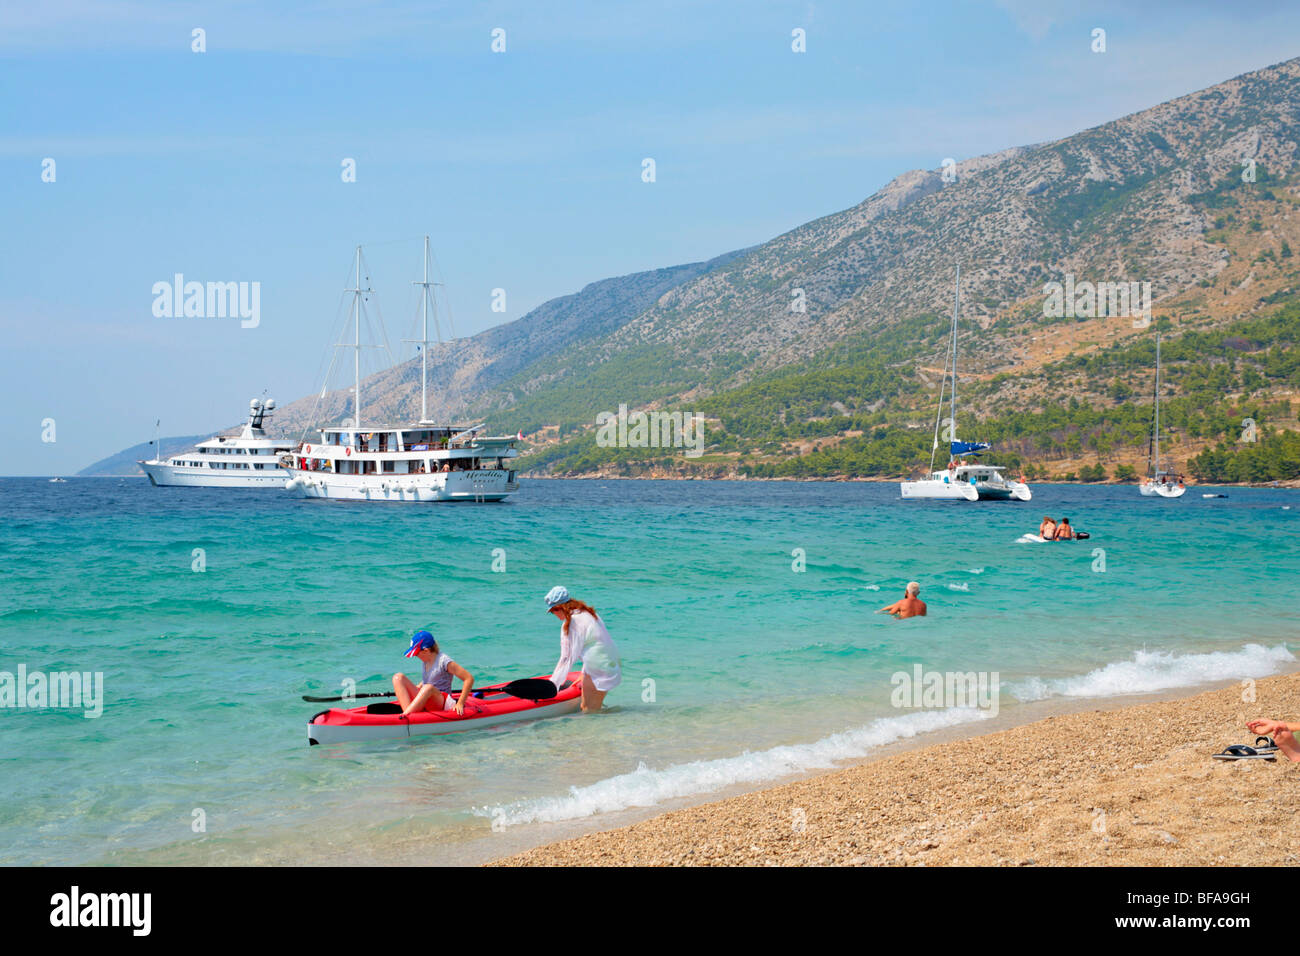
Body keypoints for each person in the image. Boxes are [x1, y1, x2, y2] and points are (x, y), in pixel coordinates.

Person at [544, 586, 622, 712]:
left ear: (559, 608)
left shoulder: (572, 622)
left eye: (553, 612)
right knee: (589, 708)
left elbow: (567, 658)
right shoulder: (587, 613)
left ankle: (608, 726)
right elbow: (595, 644)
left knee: (589, 711)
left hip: (599, 669)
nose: (554, 615)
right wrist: (583, 673)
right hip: (610, 663)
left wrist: (553, 685)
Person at [392, 630, 474, 717]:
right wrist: (418, 687)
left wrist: (460, 703)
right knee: (398, 677)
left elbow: (468, 678)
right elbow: (430, 678)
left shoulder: (444, 661)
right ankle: (407, 716)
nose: (416, 656)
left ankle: (405, 715)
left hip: (442, 702)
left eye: (416, 654)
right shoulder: (426, 661)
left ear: (426, 651)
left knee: (428, 688)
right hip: (428, 697)